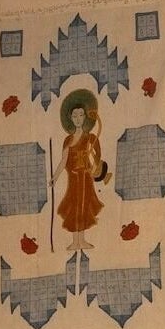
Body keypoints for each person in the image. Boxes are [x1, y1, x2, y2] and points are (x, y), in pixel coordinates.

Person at [55, 89, 106, 236]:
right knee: (74, 205)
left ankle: (81, 240)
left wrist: (96, 167)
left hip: (86, 178)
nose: (78, 118)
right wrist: (54, 177)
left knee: (84, 206)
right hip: (74, 179)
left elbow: (98, 156)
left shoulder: (90, 138)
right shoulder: (68, 140)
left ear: (85, 117)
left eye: (81, 115)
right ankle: (75, 241)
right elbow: (63, 161)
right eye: (75, 115)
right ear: (70, 118)